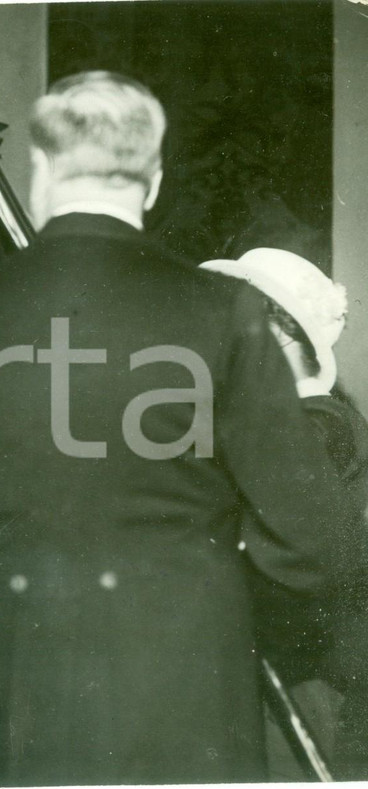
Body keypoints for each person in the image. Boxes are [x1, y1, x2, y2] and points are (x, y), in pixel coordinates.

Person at [0, 70, 365, 786]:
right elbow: (316, 538)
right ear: (150, 181)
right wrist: (212, 586)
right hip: (182, 687)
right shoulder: (225, 310)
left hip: (5, 683)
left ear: (44, 168)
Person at [201, 248, 368, 778]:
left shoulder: (319, 424)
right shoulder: (294, 421)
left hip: (309, 682)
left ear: (285, 334)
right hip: (284, 671)